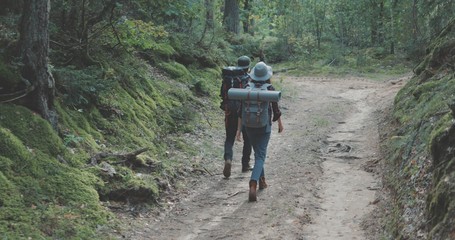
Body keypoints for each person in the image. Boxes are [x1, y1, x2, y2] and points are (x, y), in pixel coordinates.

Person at [236, 61, 284, 202]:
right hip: (264, 127)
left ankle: (262, 181)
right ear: (266, 76)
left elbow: (240, 111)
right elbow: (276, 111)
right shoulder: (270, 89)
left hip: (248, 126)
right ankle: (253, 182)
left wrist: (239, 129)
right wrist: (280, 123)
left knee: (257, 153)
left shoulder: (246, 88)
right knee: (260, 156)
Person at [222, 56, 254, 178]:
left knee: (229, 138)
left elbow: (222, 94)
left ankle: (228, 159)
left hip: (229, 110)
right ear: (248, 67)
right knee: (248, 138)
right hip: (244, 111)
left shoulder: (228, 77)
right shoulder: (248, 78)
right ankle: (245, 164)